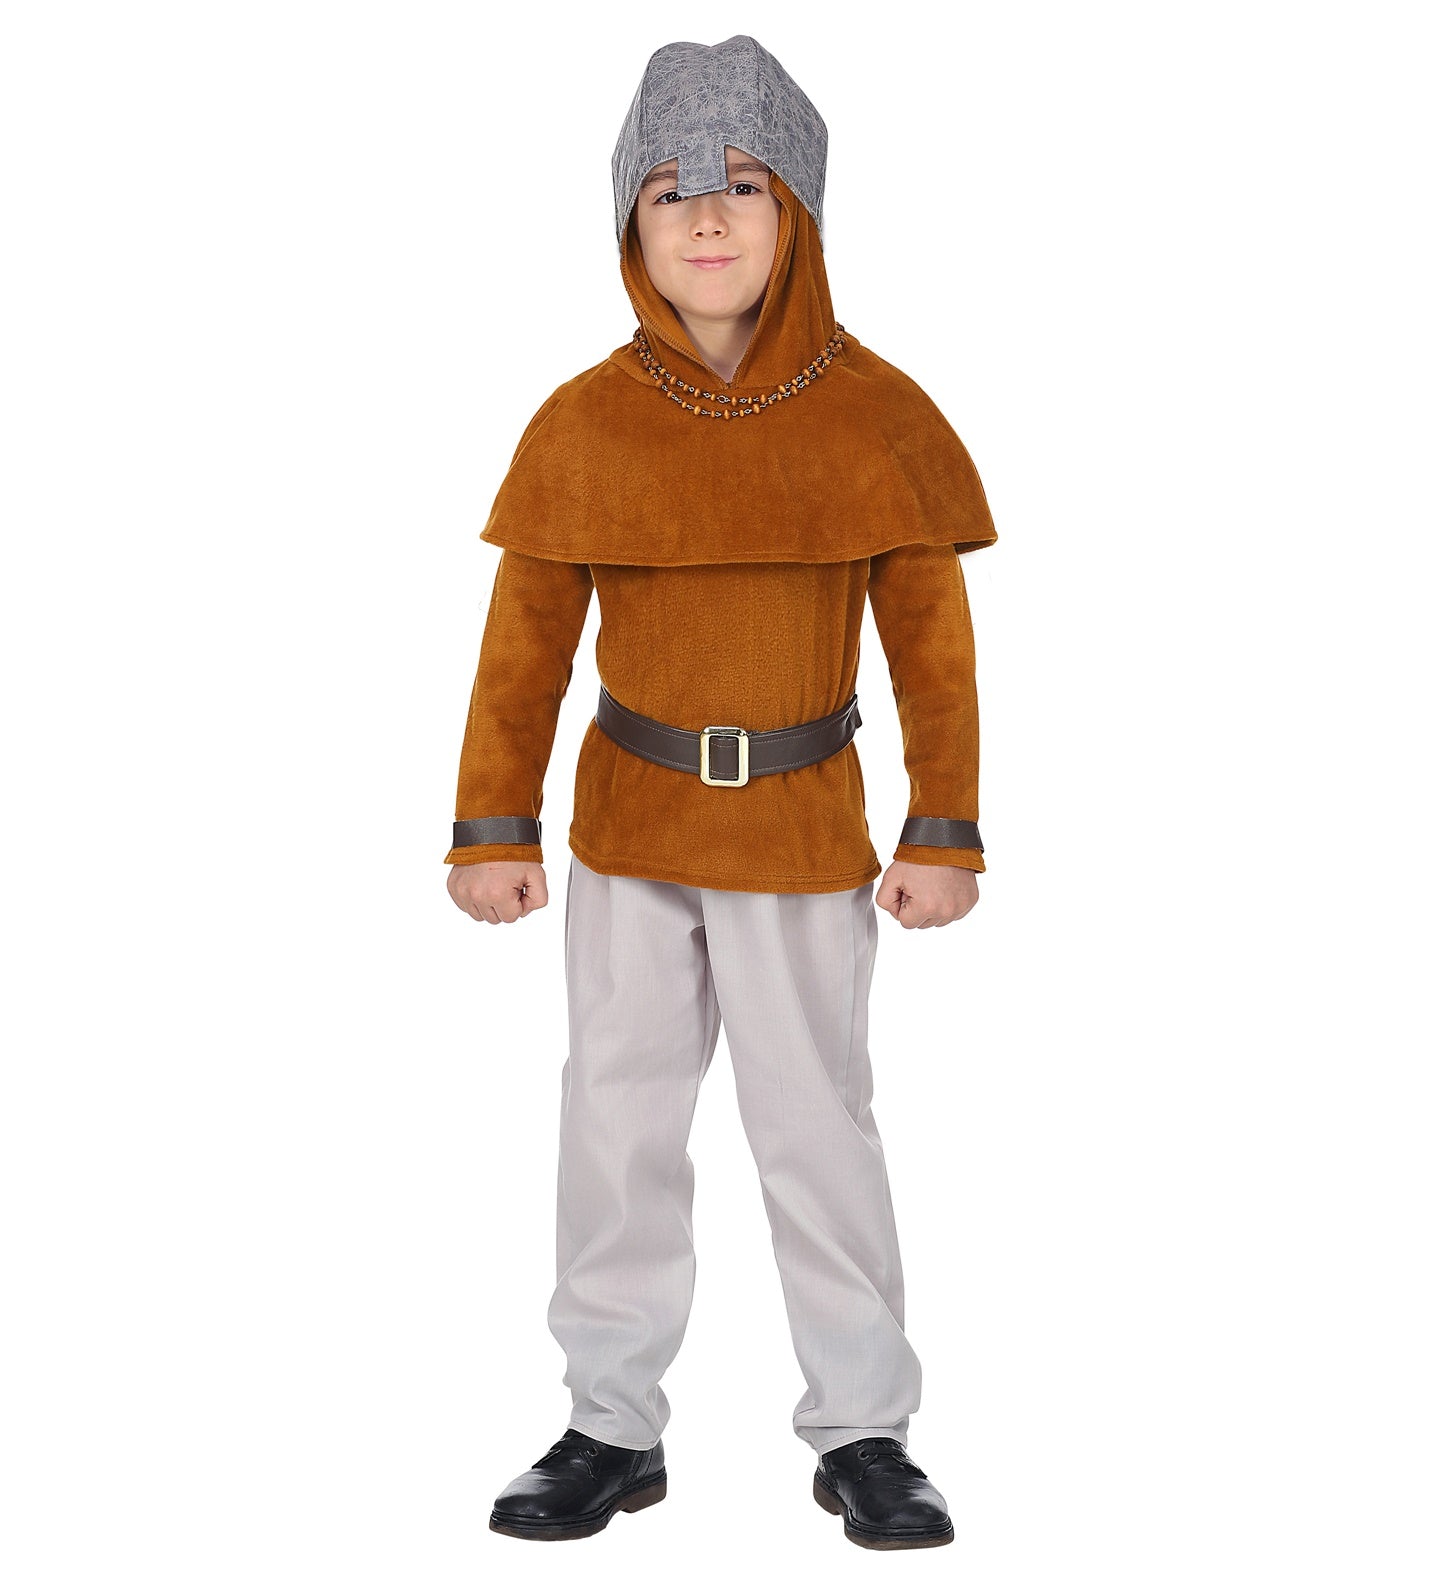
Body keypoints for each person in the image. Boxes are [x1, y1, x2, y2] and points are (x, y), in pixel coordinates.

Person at [444, 35, 998, 1551]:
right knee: (613, 1123)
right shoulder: (584, 421)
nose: (704, 219)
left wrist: (941, 825)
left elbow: (931, 645)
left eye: (742, 186)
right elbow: (523, 644)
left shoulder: (874, 414)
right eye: (669, 193)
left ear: (795, 211)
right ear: (627, 220)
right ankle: (609, 1424)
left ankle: (864, 1427)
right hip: (631, 832)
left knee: (816, 1128)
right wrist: (493, 823)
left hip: (804, 834)